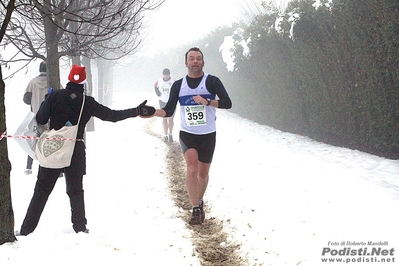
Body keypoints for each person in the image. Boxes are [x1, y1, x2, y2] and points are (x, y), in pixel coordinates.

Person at [18, 64, 155, 236]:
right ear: (83, 82)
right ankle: (80, 228)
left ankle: (26, 230)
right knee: (76, 191)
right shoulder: (87, 102)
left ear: (69, 78)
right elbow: (111, 116)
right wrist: (135, 111)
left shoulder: (55, 96)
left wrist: (47, 100)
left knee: (41, 191)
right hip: (76, 149)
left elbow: (40, 118)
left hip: (53, 149)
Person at [149, 47, 232, 225]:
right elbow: (169, 110)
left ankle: (199, 201)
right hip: (188, 134)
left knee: (203, 175)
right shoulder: (178, 85)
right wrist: (151, 112)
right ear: (186, 63)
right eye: (191, 59)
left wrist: (208, 101)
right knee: (192, 169)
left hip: (208, 135)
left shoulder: (212, 81)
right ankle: (195, 209)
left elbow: (227, 102)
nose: (195, 61)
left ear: (203, 62)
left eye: (198, 58)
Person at [22, 61, 48, 175]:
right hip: (49, 117)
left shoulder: (32, 83)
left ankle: (29, 166)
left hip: (35, 117)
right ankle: (48, 165)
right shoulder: (53, 82)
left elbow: (26, 99)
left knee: (33, 140)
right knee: (49, 141)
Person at [154, 68, 175, 142]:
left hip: (171, 101)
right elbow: (155, 86)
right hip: (162, 101)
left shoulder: (173, 81)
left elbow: (177, 88)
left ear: (169, 75)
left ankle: (170, 134)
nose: (166, 76)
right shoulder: (159, 81)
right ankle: (165, 135)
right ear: (163, 75)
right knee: (164, 118)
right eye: (164, 75)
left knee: (171, 118)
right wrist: (157, 93)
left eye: (167, 75)